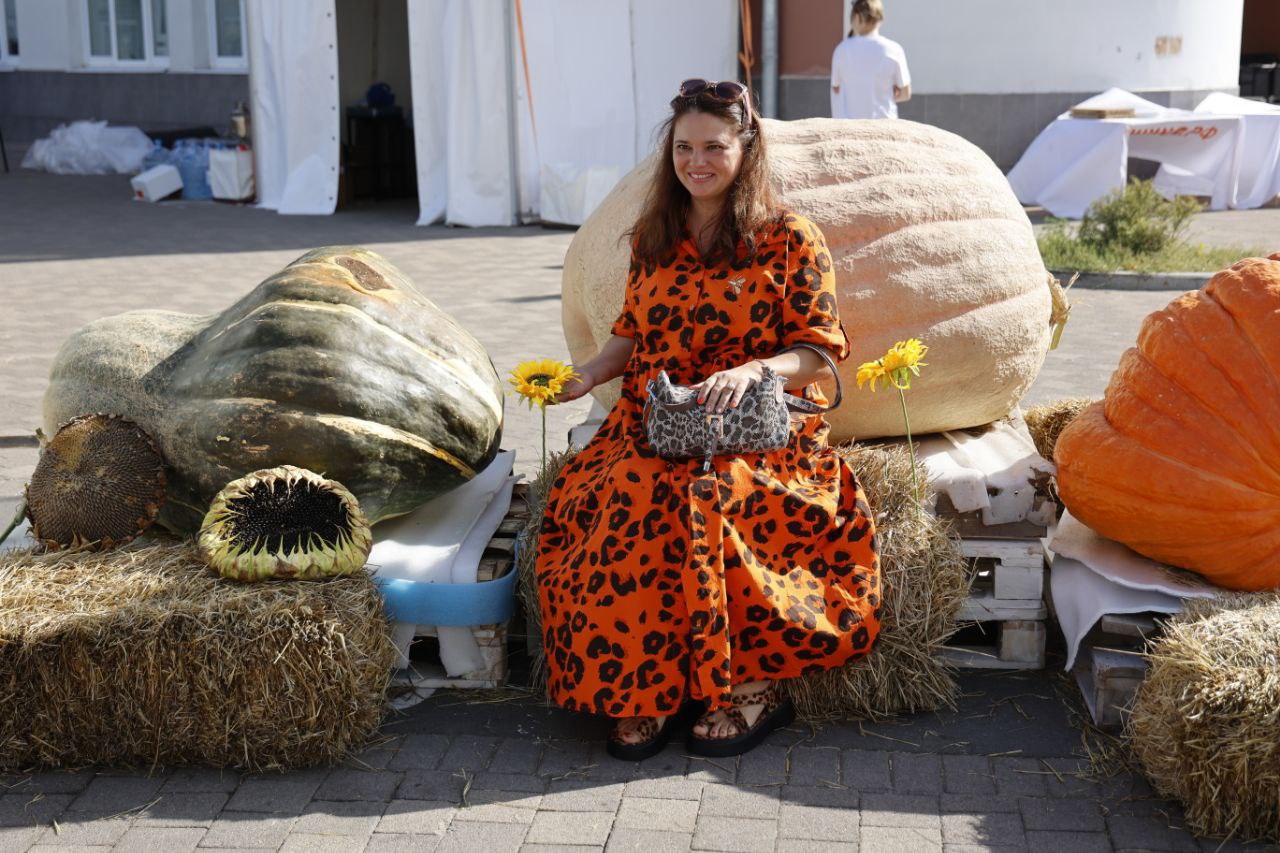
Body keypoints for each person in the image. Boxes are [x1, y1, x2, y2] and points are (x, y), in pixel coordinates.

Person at [535, 78, 882, 761]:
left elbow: (817, 352)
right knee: (621, 497)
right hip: (656, 419)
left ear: (745, 150)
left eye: (714, 147)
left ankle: (751, 687)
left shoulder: (790, 238)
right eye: (685, 147)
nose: (698, 161)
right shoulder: (652, 238)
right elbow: (627, 337)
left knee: (715, 498)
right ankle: (641, 689)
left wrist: (755, 369)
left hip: (755, 422)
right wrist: (587, 375)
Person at [830, 0, 911, 120]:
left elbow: (836, 88)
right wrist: (887, 94)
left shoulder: (841, 50)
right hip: (884, 126)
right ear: (880, 20)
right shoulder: (894, 49)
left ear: (857, 18)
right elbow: (905, 94)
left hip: (849, 129)